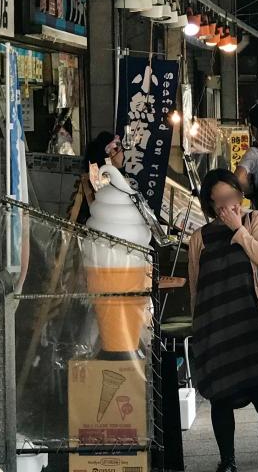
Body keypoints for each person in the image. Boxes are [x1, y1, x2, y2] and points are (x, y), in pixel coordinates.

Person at [188, 169, 258, 472]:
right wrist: (198, 328)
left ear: (240, 194)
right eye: (219, 200)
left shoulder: (254, 220)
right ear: (210, 204)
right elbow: (195, 285)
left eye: (231, 196)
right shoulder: (199, 237)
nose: (227, 204)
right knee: (220, 396)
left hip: (250, 323)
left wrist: (238, 229)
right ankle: (228, 461)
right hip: (215, 326)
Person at [81, 133, 153, 354]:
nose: (123, 154)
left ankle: (117, 351)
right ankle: (117, 352)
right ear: (110, 153)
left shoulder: (117, 184)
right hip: (107, 257)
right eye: (119, 149)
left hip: (114, 259)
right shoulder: (100, 181)